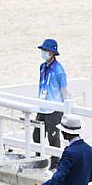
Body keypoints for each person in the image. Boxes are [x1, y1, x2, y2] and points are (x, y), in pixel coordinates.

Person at [34, 38, 69, 171]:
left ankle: (55, 162)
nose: (43, 52)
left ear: (52, 52)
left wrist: (65, 107)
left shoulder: (59, 70)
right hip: (42, 106)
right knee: (36, 135)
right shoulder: (42, 67)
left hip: (54, 109)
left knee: (53, 136)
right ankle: (38, 159)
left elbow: (64, 90)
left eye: (45, 50)